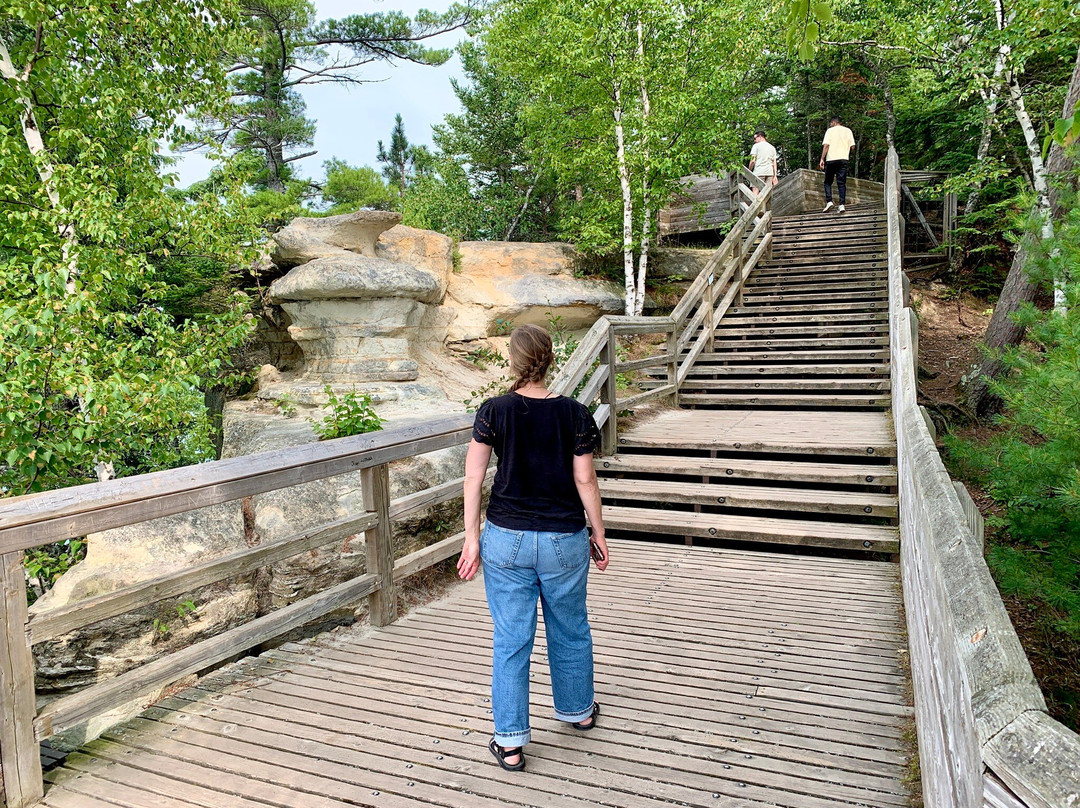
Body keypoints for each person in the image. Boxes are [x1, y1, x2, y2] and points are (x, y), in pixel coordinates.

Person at [457, 323, 609, 773]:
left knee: (511, 638)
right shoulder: (576, 414)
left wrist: (471, 537)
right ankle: (578, 711)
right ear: (550, 359)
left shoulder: (494, 410)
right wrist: (597, 532)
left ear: (514, 360)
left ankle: (510, 742)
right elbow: (585, 479)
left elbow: (473, 477)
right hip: (564, 538)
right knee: (571, 627)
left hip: (507, 539)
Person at [818, 115, 855, 213]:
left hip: (831, 159)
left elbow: (826, 146)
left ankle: (829, 201)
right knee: (841, 183)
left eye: (831, 124)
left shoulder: (830, 131)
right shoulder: (848, 131)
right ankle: (842, 205)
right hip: (843, 159)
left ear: (834, 122)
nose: (830, 126)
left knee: (827, 182)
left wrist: (822, 159)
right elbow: (852, 147)